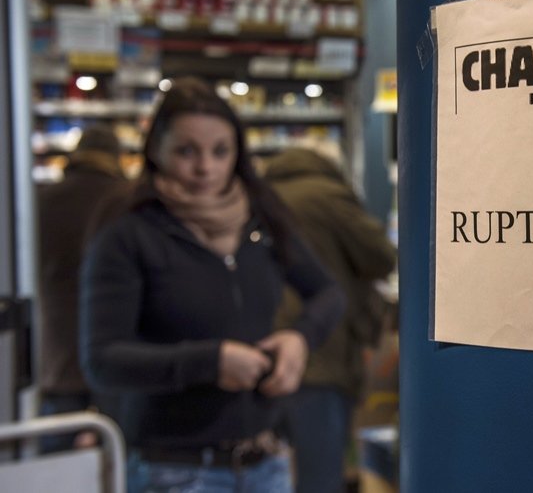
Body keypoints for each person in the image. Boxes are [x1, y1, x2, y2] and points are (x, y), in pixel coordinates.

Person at [79, 77, 346, 493]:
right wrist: (210, 362)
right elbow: (102, 361)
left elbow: (329, 293)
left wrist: (300, 338)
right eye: (187, 151)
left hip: (265, 461)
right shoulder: (127, 235)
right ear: (156, 151)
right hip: (174, 469)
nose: (206, 168)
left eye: (220, 151)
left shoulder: (262, 221)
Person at [264, 147, 396, 493]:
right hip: (321, 348)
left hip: (261, 351)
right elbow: (381, 256)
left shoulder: (256, 196)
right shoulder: (326, 195)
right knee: (319, 474)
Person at [35, 124, 130, 454]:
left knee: (55, 466)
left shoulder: (43, 200)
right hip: (120, 356)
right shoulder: (127, 200)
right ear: (116, 157)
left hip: (58, 356)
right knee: (119, 460)